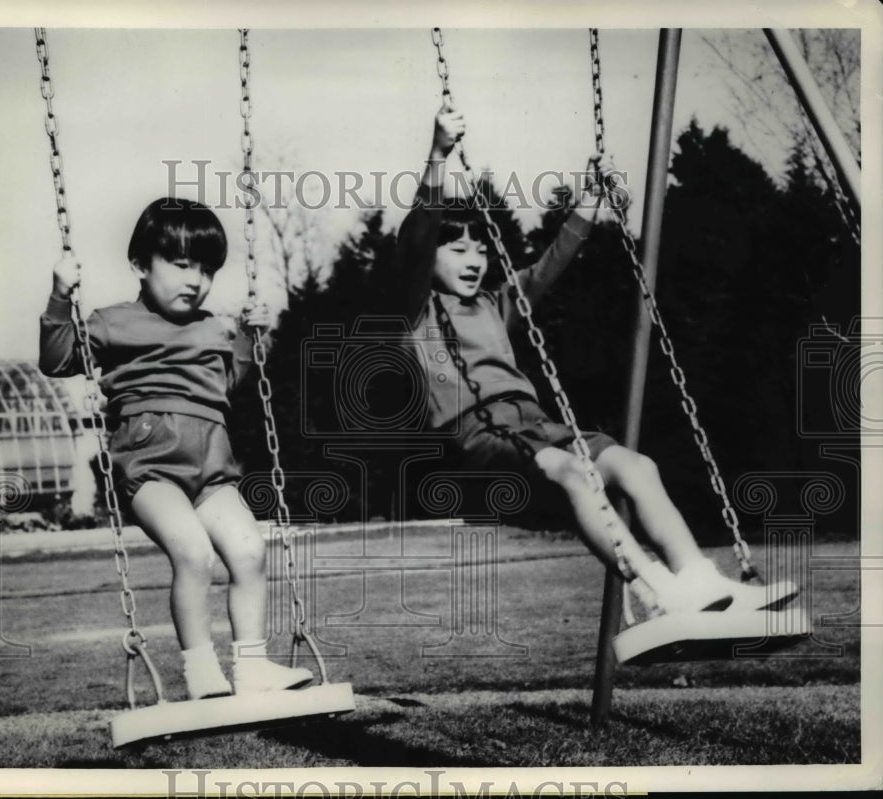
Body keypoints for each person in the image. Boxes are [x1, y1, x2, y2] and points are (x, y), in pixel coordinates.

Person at [396, 107, 798, 616]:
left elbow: (552, 263)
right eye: (457, 249)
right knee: (574, 474)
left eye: (480, 250)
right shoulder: (415, 309)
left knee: (636, 466)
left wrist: (591, 196)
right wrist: (438, 154)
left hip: (534, 422)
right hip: (477, 431)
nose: (474, 259)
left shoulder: (496, 304)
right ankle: (657, 592)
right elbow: (417, 235)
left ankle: (701, 581)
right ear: (429, 259)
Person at [40, 197, 313, 699]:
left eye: (206, 270)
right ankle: (201, 672)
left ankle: (252, 668)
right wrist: (61, 294)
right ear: (140, 265)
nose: (196, 280)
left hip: (212, 468)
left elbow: (228, 384)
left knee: (250, 550)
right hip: (151, 467)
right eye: (182, 264)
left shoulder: (213, 326)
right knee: (193, 552)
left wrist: (249, 338)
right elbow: (57, 360)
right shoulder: (112, 321)